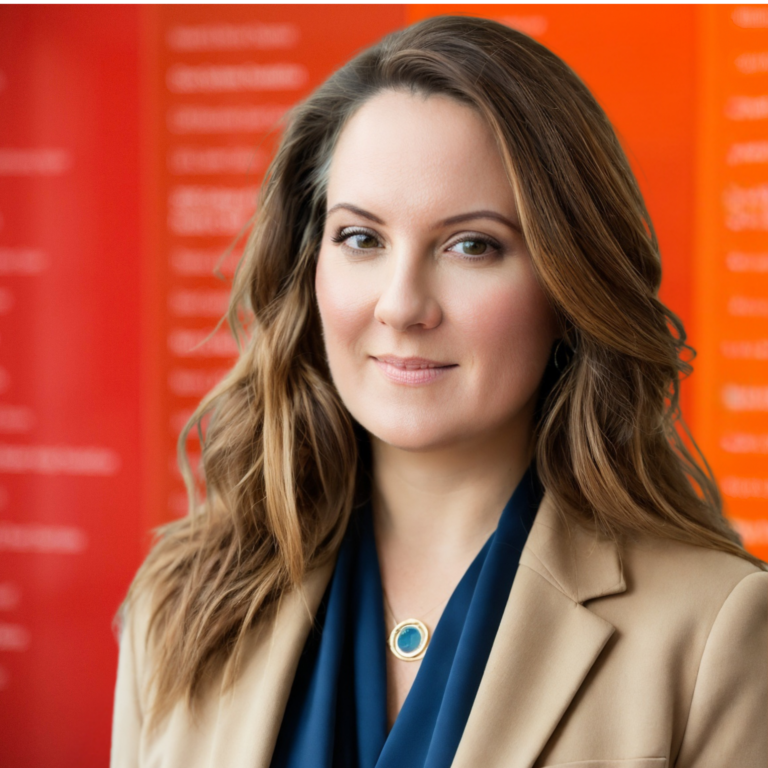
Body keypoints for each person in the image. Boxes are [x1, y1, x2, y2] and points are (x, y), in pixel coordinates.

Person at [111, 15, 767, 768]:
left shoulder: (715, 631)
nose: (400, 305)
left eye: (471, 246)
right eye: (362, 238)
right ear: (309, 264)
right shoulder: (180, 602)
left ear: (568, 287)